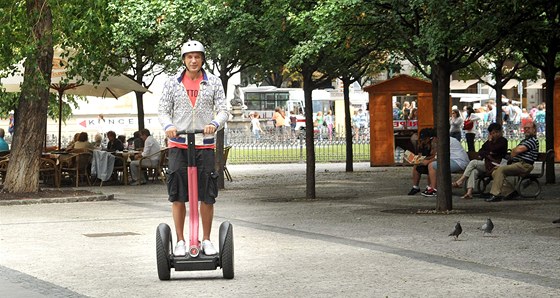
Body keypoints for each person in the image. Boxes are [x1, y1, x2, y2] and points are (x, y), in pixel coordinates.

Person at [158, 40, 229, 257]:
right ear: (183, 60)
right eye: (189, 57)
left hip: (204, 144)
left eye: (197, 56)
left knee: (207, 194)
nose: (193, 60)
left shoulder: (214, 82)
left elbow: (223, 110)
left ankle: (206, 239)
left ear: (202, 59)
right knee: (177, 194)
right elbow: (163, 109)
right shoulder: (172, 83)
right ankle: (180, 241)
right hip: (179, 145)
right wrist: (169, 126)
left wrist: (215, 124)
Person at [486, 121, 539, 202]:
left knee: (500, 170)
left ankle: (495, 194)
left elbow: (516, 151)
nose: (526, 130)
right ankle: (511, 192)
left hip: (524, 165)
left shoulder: (533, 140)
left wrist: (514, 152)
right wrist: (514, 152)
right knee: (495, 172)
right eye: (525, 128)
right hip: (517, 164)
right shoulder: (525, 140)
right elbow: (515, 151)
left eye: (529, 128)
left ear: (534, 130)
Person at [452, 123, 508, 199]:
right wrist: (488, 152)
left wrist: (489, 146)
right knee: (474, 171)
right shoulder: (489, 142)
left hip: (495, 165)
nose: (495, 135)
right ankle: (469, 192)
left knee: (473, 162)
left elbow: (494, 150)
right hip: (486, 164)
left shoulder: (503, 141)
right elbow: (481, 151)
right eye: (493, 133)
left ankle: (460, 181)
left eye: (496, 132)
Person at [421, 131, 470, 197]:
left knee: (431, 165)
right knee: (433, 165)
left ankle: (433, 189)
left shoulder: (445, 142)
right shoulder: (448, 140)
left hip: (459, 162)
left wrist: (428, 161)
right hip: (455, 160)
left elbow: (440, 156)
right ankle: (431, 187)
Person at [408, 128, 437, 195]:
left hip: (430, 161)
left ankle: (430, 186)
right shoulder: (421, 144)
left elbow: (435, 155)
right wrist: (417, 159)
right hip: (424, 160)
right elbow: (420, 154)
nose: (422, 140)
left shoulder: (433, 144)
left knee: (430, 166)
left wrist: (426, 159)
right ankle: (415, 187)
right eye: (421, 139)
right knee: (416, 166)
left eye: (424, 139)